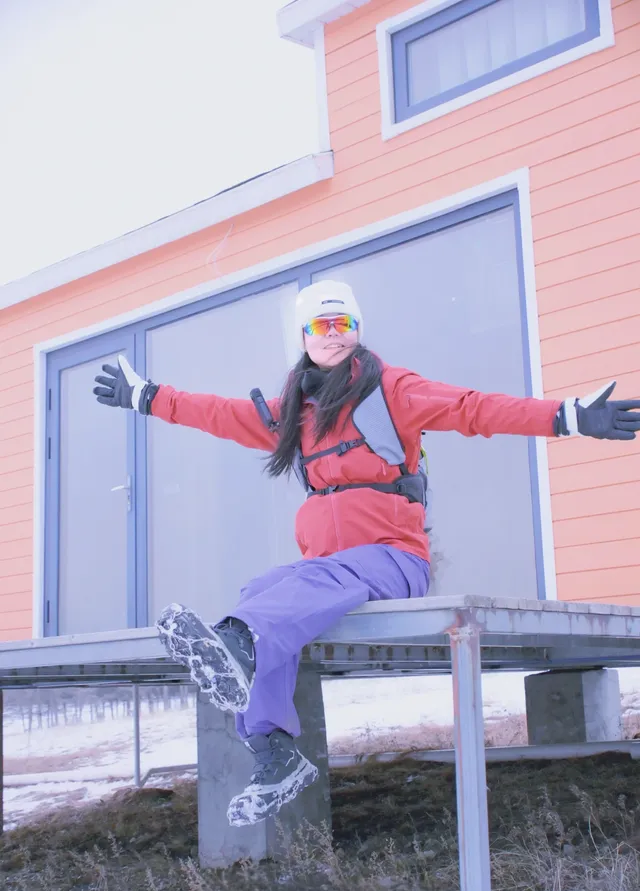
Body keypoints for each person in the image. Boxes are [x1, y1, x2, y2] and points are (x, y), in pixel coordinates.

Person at [93, 279, 640, 827]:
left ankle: (237, 644)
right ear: (303, 336)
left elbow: (473, 409)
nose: (334, 336)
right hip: (327, 568)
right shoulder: (295, 413)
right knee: (259, 592)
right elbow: (217, 413)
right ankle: (274, 751)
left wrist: (566, 416)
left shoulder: (391, 390)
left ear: (357, 331)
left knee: (269, 614)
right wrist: (147, 397)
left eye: (343, 325)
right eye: (321, 326)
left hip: (392, 558)